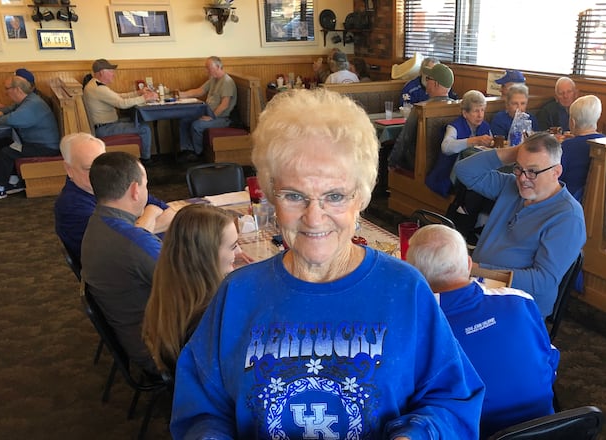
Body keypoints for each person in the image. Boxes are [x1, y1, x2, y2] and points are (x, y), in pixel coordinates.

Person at [170, 88, 484, 439]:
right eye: (294, 196)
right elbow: (200, 409)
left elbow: (453, 400)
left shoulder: (405, 288)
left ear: (362, 196)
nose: (314, 218)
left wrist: (416, 435)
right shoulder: (238, 293)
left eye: (334, 196)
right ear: (272, 195)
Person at [407, 224, 559, 438]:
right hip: (550, 430)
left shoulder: (416, 325)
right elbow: (551, 363)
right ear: (469, 264)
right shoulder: (520, 300)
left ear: (415, 276)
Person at [455, 132, 586, 317]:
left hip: (518, 307)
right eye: (519, 168)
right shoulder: (511, 186)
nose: (523, 179)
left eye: (532, 171)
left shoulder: (568, 217)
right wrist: (515, 152)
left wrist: (480, 271)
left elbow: (543, 281)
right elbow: (464, 171)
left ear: (556, 172)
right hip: (481, 287)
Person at [81, 151, 161, 375]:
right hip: (157, 349)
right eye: (146, 185)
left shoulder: (97, 223)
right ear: (136, 190)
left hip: (132, 336)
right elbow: (195, 290)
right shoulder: (134, 241)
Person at [142, 204, 243, 375]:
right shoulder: (211, 319)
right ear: (207, 255)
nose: (239, 251)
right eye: (233, 246)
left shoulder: (173, 290)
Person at [54, 133, 174, 264]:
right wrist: (151, 212)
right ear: (69, 169)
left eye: (104, 167)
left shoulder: (114, 184)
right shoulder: (71, 206)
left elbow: (170, 215)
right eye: (89, 168)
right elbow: (123, 244)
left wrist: (142, 225)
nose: (100, 175)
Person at [0, 75, 60, 202]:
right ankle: (14, 181)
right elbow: (11, 108)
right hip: (37, 143)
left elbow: (13, 119)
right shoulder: (29, 99)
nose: (5, 92)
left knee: (7, 152)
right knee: (2, 143)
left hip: (46, 147)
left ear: (17, 89)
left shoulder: (32, 104)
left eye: (7, 89)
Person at [83, 58, 158, 165]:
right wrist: (145, 98)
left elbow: (118, 97)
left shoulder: (94, 85)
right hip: (104, 128)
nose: (113, 75)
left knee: (137, 120)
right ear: (101, 73)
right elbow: (122, 104)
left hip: (105, 124)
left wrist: (139, 93)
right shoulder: (99, 88)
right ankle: (146, 160)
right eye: (111, 72)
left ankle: (144, 157)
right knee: (144, 128)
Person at [388, 63, 455, 171]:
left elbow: (404, 139)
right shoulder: (457, 107)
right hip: (447, 166)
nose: (426, 81)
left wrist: (391, 162)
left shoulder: (420, 109)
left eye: (428, 78)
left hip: (417, 166)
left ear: (436, 84)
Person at [426, 89, 492, 197]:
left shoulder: (485, 126)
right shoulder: (454, 127)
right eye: (476, 111)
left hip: (476, 172)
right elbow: (446, 148)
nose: (480, 115)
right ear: (465, 113)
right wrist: (473, 141)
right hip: (450, 173)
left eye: (482, 110)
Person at [176, 56, 238, 163]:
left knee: (197, 125)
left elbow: (224, 105)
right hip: (210, 113)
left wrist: (211, 117)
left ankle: (198, 154)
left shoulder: (227, 82)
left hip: (222, 118)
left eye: (209, 67)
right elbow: (200, 91)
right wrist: (181, 95)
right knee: (184, 120)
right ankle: (187, 150)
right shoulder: (213, 79)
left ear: (218, 67)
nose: (207, 70)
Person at [560, 95, 605, 202]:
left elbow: (555, 178)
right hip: (601, 202)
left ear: (572, 122)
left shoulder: (567, 147)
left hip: (569, 202)